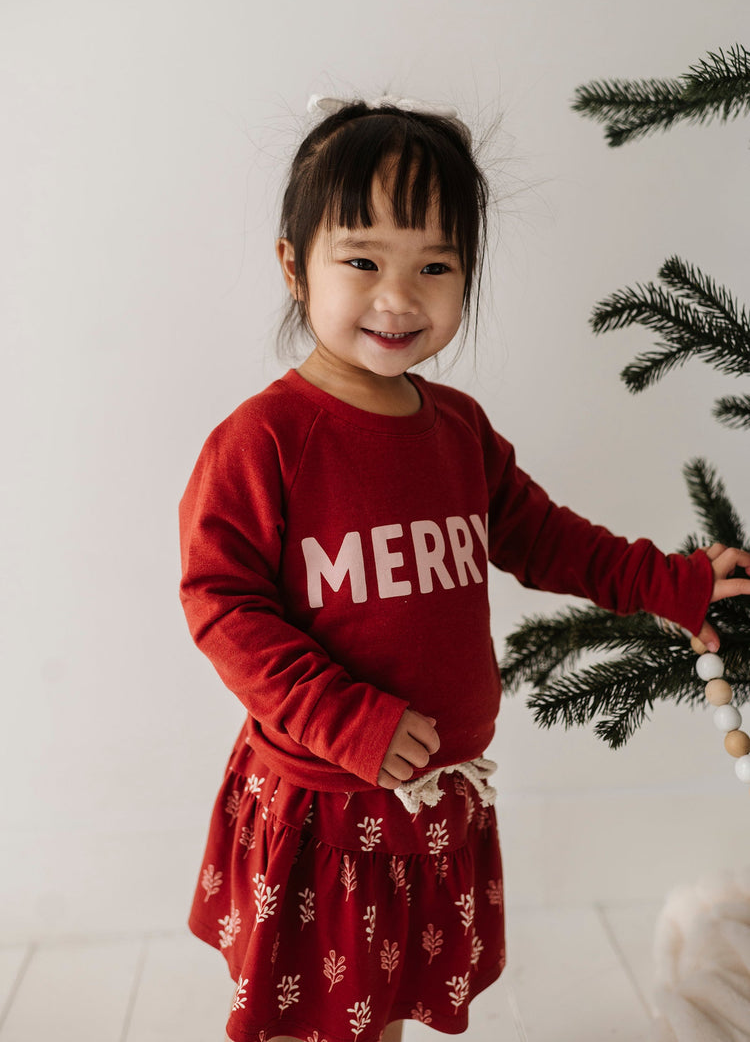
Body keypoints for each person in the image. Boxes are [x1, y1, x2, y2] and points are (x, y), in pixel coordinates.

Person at [178, 95, 750, 1042]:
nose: (399, 297)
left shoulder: (457, 433)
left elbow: (545, 537)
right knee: (310, 1022)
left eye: (434, 265)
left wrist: (671, 581)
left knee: (385, 1007)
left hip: (436, 798)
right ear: (294, 264)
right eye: (362, 260)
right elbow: (223, 608)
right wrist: (346, 718)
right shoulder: (264, 441)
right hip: (325, 807)